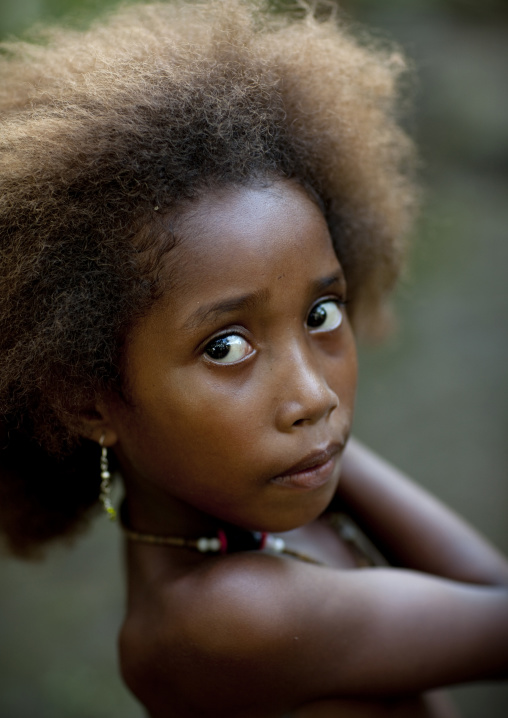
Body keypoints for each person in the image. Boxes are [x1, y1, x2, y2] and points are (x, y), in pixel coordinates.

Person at [0, 1, 507, 716]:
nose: (312, 395)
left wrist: (322, 438)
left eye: (321, 314)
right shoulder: (227, 620)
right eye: (226, 347)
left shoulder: (240, 504)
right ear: (89, 402)